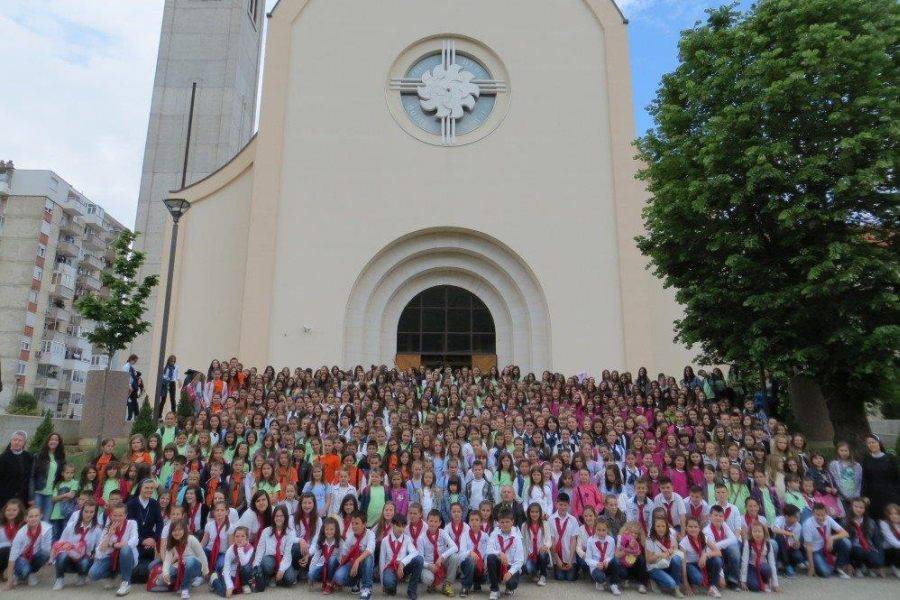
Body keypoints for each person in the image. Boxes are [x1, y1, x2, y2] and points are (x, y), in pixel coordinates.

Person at [89, 503, 138, 596]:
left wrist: (112, 545)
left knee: (125, 549)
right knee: (93, 574)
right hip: (111, 558)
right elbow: (100, 549)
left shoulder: (132, 524)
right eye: (115, 515)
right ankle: (112, 576)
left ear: (125, 515)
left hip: (127, 558)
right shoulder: (108, 527)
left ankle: (126, 582)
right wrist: (110, 534)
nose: (117, 518)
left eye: (121, 515)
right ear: (111, 516)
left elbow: (134, 540)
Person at [53, 499, 102, 590]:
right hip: (68, 555)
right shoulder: (71, 526)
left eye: (92, 512)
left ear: (95, 513)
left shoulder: (97, 530)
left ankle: (82, 575)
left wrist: (95, 556)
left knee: (85, 563)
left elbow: (99, 547)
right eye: (86, 511)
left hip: (84, 557)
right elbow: (61, 543)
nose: (88, 514)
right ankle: (59, 578)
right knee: (62, 556)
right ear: (81, 512)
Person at [159, 518, 209, 599]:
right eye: (174, 530)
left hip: (194, 565)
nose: (177, 532)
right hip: (180, 566)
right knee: (161, 579)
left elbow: (201, 555)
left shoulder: (191, 539)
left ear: (184, 530)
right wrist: (165, 573)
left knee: (189, 561)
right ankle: (185, 580)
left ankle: (184, 588)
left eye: (179, 530)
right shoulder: (171, 542)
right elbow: (167, 560)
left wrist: (206, 572)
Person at [4, 506, 52, 589]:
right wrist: (9, 581)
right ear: (26, 518)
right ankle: (17, 574)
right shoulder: (21, 533)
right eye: (31, 516)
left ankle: (31, 573)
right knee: (24, 571)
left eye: (36, 516)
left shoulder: (47, 528)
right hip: (21, 557)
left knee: (45, 553)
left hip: (34, 556)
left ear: (41, 516)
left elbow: (46, 549)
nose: (34, 519)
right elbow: (12, 557)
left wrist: (48, 562)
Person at [379, 514, 423, 600]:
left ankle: (411, 591)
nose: (401, 528)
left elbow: (415, 552)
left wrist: (402, 563)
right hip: (390, 568)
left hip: (403, 568)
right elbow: (382, 561)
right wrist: (382, 583)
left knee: (419, 560)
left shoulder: (407, 539)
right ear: (392, 525)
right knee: (388, 583)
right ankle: (391, 586)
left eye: (403, 526)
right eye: (398, 526)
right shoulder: (385, 540)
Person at [802, 502, 851, 579]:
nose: (821, 518)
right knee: (826, 573)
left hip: (827, 546)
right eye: (818, 515)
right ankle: (816, 563)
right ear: (813, 514)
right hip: (815, 550)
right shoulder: (808, 524)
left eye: (823, 515)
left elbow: (846, 533)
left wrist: (831, 538)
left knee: (846, 542)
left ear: (826, 513)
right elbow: (809, 547)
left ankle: (838, 567)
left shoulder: (828, 519)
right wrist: (811, 567)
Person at [252, 504, 297, 587]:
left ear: (285, 517)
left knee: (290, 579)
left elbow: (287, 555)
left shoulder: (289, 532)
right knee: (265, 563)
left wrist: (281, 570)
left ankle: (278, 578)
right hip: (270, 558)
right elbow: (260, 549)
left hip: (283, 558)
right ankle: (270, 576)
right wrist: (255, 565)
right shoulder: (266, 531)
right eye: (276, 516)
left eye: (281, 516)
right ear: (273, 517)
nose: (279, 518)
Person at [334, 511, 375, 600]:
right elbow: (344, 552)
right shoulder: (351, 535)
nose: (354, 526)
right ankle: (355, 582)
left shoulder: (370, 534)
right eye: (352, 523)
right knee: (338, 576)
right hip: (353, 563)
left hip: (364, 564)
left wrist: (357, 561)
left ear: (364, 524)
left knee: (368, 557)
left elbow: (370, 549)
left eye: (357, 523)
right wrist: (344, 567)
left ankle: (367, 588)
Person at [679, 516, 722, 598]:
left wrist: (705, 555)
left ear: (699, 528)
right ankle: (692, 583)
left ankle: (712, 587)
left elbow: (718, 552)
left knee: (717, 560)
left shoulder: (704, 537)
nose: (693, 529)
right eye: (690, 527)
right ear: (686, 528)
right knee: (698, 578)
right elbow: (683, 565)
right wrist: (686, 585)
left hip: (702, 562)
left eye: (695, 527)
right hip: (690, 565)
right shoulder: (683, 543)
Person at [485, 508, 523, 600]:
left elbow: (520, 560)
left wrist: (510, 572)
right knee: (490, 557)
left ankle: (509, 587)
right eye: (502, 522)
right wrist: (499, 553)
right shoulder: (495, 533)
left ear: (512, 522)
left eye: (507, 522)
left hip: (510, 566)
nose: (505, 524)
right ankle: (494, 589)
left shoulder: (516, 537)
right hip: (499, 565)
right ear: (498, 522)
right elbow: (488, 550)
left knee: (511, 583)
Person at [860, 434, 899, 521]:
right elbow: (865, 479)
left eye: (873, 442)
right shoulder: (866, 459)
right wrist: (864, 495)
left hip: (890, 494)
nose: (871, 444)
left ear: (879, 443)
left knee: (891, 517)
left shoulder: (890, 458)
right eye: (869, 443)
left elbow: (896, 477)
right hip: (873, 495)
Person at [209, 525, 253, 597]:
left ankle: (245, 585)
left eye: (243, 536)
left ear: (247, 538)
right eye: (237, 536)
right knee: (225, 593)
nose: (239, 539)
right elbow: (226, 569)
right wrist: (229, 586)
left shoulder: (250, 548)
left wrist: (240, 549)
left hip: (242, 573)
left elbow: (244, 562)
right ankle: (214, 579)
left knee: (246, 567)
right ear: (234, 538)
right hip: (230, 572)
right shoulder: (230, 550)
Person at [645, 516, 683, 597]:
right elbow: (649, 560)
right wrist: (659, 555)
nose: (661, 529)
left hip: (666, 564)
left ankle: (676, 588)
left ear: (666, 527)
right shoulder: (650, 540)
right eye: (658, 526)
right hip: (654, 567)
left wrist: (671, 552)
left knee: (676, 559)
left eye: (663, 526)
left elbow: (675, 551)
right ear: (654, 527)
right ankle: (654, 580)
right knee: (671, 584)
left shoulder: (671, 537)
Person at [585, 517, 623, 595]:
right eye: (598, 530)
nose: (601, 532)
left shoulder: (611, 540)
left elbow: (611, 556)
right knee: (600, 577)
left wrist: (607, 561)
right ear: (595, 529)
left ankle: (613, 584)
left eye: (603, 530)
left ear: (607, 530)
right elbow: (588, 559)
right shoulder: (590, 540)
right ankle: (601, 581)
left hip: (607, 565)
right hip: (596, 567)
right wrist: (597, 564)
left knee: (615, 561)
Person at [740, 521, 779, 592]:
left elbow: (772, 563)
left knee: (767, 569)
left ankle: (766, 581)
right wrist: (743, 581)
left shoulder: (768, 544)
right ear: (751, 533)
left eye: (759, 531)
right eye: (754, 531)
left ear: (764, 533)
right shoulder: (748, 544)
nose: (757, 534)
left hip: (762, 566)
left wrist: (775, 584)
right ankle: (755, 580)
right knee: (755, 587)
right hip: (751, 566)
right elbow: (744, 562)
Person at [122, 354, 140, 422]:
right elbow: (126, 377)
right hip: (130, 387)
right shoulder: (126, 367)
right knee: (131, 402)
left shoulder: (131, 367)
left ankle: (133, 417)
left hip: (133, 387)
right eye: (135, 361)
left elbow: (134, 376)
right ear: (131, 359)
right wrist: (129, 385)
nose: (135, 362)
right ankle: (131, 417)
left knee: (133, 402)